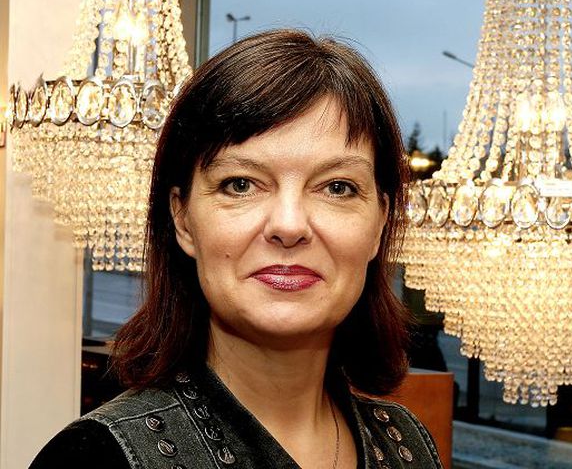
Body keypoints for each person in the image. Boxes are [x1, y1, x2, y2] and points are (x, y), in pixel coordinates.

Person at [31, 29, 444, 468]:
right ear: (183, 219)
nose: (289, 225)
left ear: (380, 223)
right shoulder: (97, 457)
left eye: (337, 187)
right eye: (241, 184)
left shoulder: (408, 445)